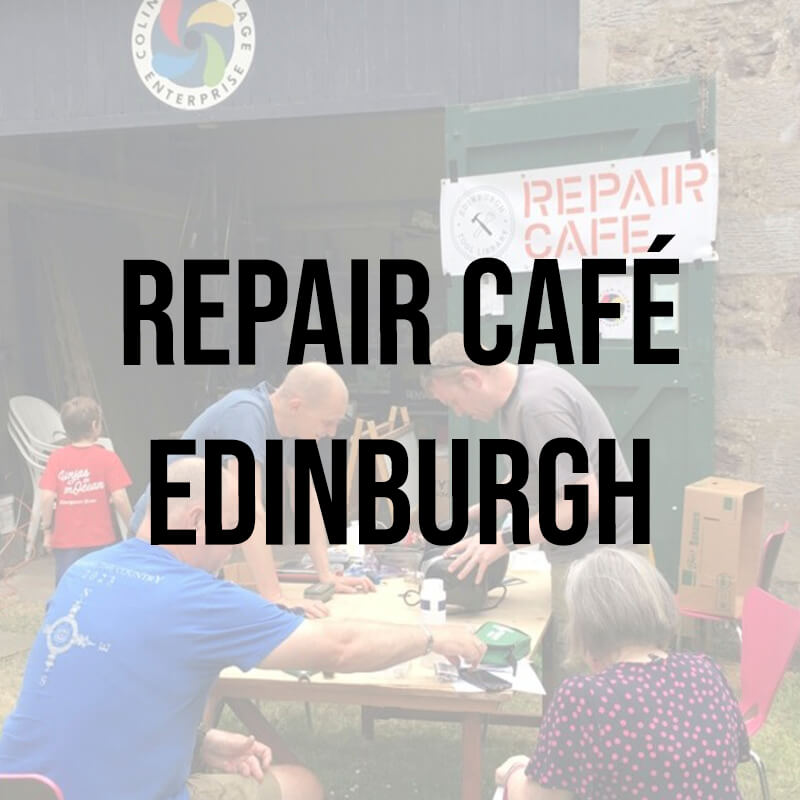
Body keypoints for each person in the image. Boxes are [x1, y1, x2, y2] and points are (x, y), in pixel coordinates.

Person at [0, 458, 485, 800]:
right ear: (195, 521)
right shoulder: (199, 598)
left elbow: (100, 693)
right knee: (303, 786)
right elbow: (339, 647)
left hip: (23, 787)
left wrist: (197, 744)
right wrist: (432, 638)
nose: (231, 551)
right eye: (230, 531)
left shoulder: (82, 573)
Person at [423, 332, 648, 689]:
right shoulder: (524, 384)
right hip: (580, 545)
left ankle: (580, 740)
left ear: (471, 378)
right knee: (567, 662)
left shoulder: (537, 405)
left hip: (595, 555)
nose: (459, 413)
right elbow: (528, 470)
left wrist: (505, 540)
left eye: (454, 402)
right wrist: (470, 517)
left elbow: (588, 501)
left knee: (581, 669)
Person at [494, 547, 750, 799]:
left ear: (585, 626)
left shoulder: (585, 698)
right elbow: (735, 754)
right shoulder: (706, 671)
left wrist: (514, 771)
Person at [130, 362, 375, 618]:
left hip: (199, 550)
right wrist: (274, 598)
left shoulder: (293, 430)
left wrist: (326, 575)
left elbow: (308, 503)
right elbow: (248, 510)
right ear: (296, 406)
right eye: (327, 422)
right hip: (157, 547)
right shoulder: (245, 414)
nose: (332, 432)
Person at [37, 396, 133, 584]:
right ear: (94, 424)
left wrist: (47, 531)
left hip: (65, 543)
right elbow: (120, 497)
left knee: (67, 588)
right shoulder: (107, 458)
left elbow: (47, 497)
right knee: (101, 589)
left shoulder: (57, 458)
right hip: (101, 539)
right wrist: (133, 528)